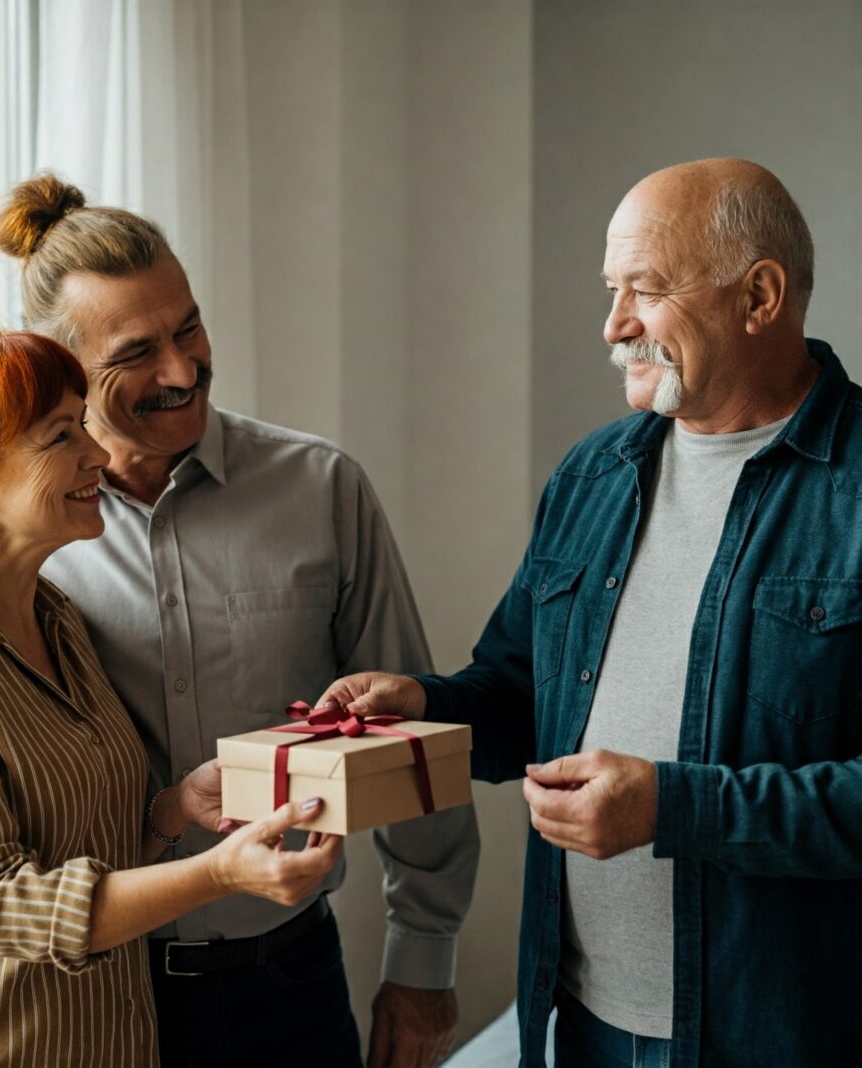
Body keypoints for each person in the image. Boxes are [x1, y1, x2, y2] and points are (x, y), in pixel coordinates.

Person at [0, 177, 481, 1066]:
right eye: (137, 351)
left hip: (283, 983)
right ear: (64, 368)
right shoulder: (31, 551)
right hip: (90, 999)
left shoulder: (317, 490)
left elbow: (411, 733)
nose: (181, 370)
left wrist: (423, 959)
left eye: (189, 329)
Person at [320, 158, 862, 1067]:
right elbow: (523, 691)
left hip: (787, 1035)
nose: (613, 327)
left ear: (760, 296)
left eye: (645, 291)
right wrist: (426, 705)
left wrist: (676, 809)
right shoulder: (594, 475)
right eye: (613, 290)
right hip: (582, 1023)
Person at [0, 313, 340, 1067]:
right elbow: (0, 903)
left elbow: (72, 847)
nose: (98, 453)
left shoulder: (54, 616)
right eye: (62, 436)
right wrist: (219, 873)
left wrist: (172, 809)